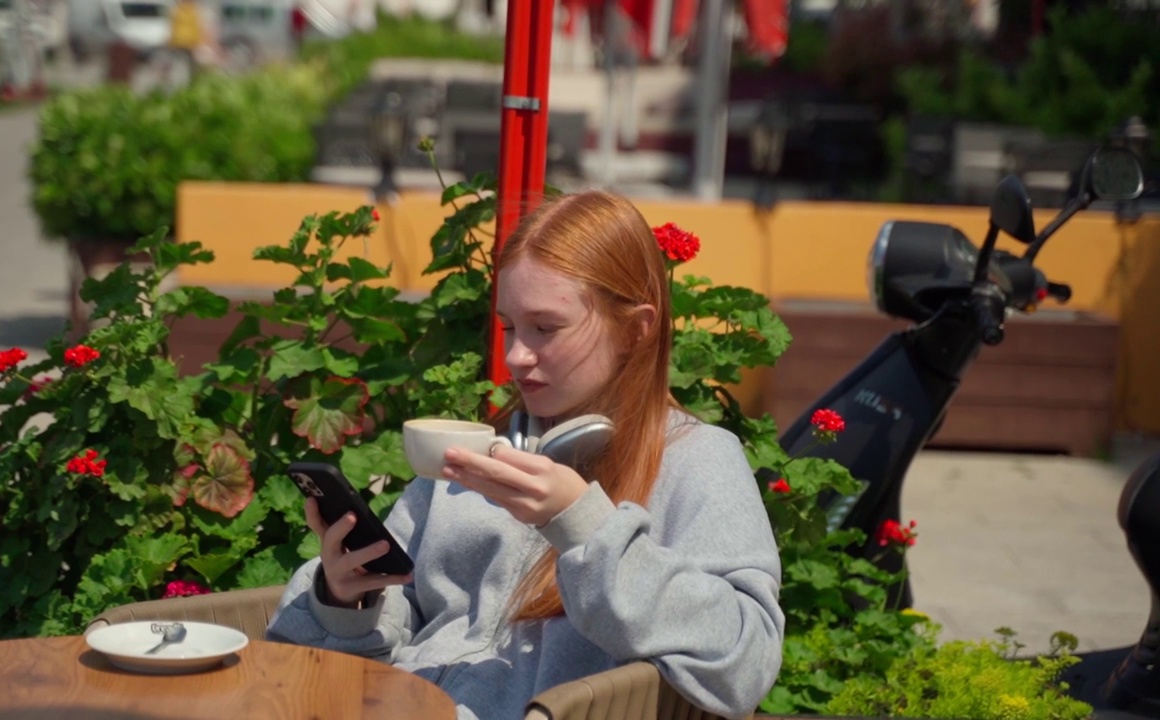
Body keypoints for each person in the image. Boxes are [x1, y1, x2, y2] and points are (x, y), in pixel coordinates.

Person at [266, 190, 785, 720]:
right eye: (510, 326)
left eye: (546, 328)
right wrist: (349, 598)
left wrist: (584, 524)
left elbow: (746, 662)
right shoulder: (481, 448)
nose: (515, 356)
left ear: (635, 328)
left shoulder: (696, 460)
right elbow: (396, 612)